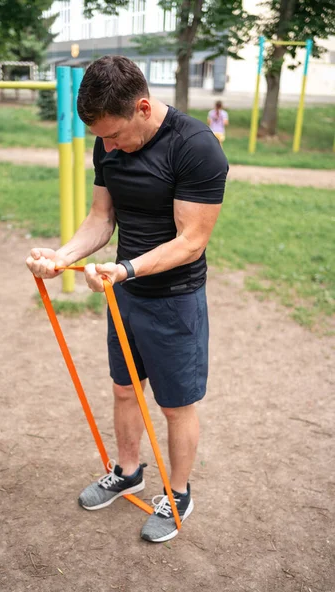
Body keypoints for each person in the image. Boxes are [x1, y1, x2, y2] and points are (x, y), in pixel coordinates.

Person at [26, 56, 228, 543]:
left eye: (115, 136)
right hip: (124, 293)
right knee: (124, 390)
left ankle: (177, 493)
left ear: (142, 107)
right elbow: (101, 217)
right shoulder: (107, 139)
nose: (109, 146)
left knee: (175, 404)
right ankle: (128, 470)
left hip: (173, 297)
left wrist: (128, 268)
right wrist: (61, 256)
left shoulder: (197, 147)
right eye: (103, 139)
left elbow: (191, 240)